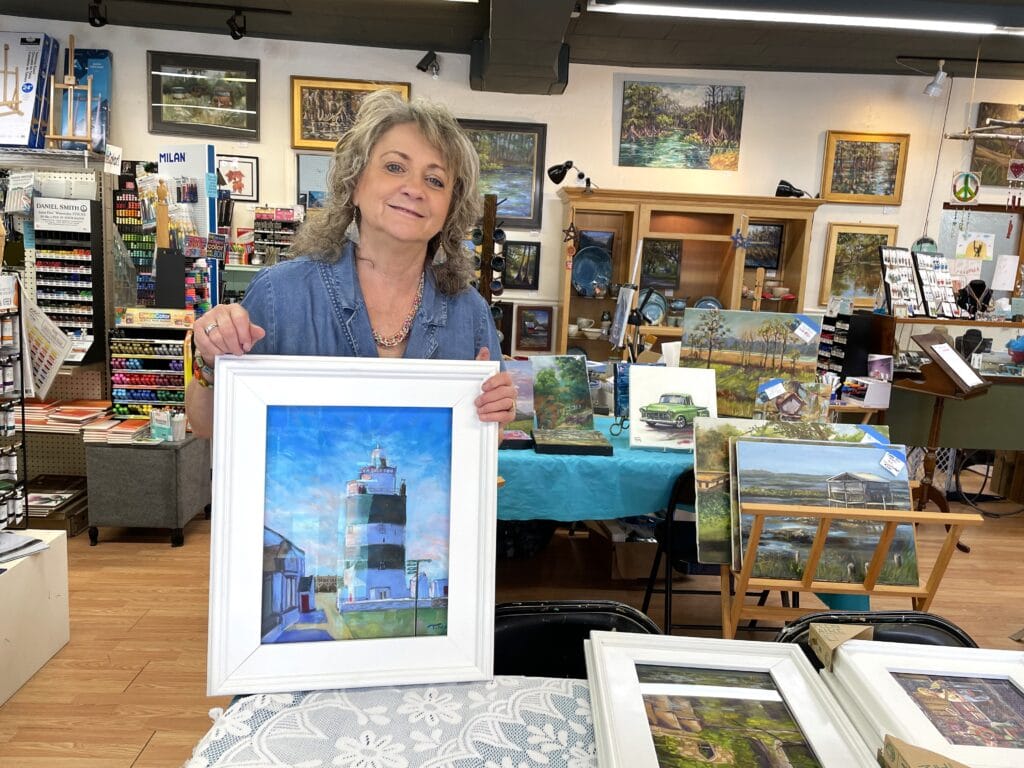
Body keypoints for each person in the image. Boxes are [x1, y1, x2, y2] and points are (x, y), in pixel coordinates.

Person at [186, 90, 515, 438]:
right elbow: (207, 427)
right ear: (355, 184)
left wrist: (495, 417)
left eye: (435, 180)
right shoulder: (279, 295)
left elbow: (480, 442)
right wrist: (210, 363)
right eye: (394, 167)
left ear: (450, 206)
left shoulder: (470, 313)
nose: (414, 188)